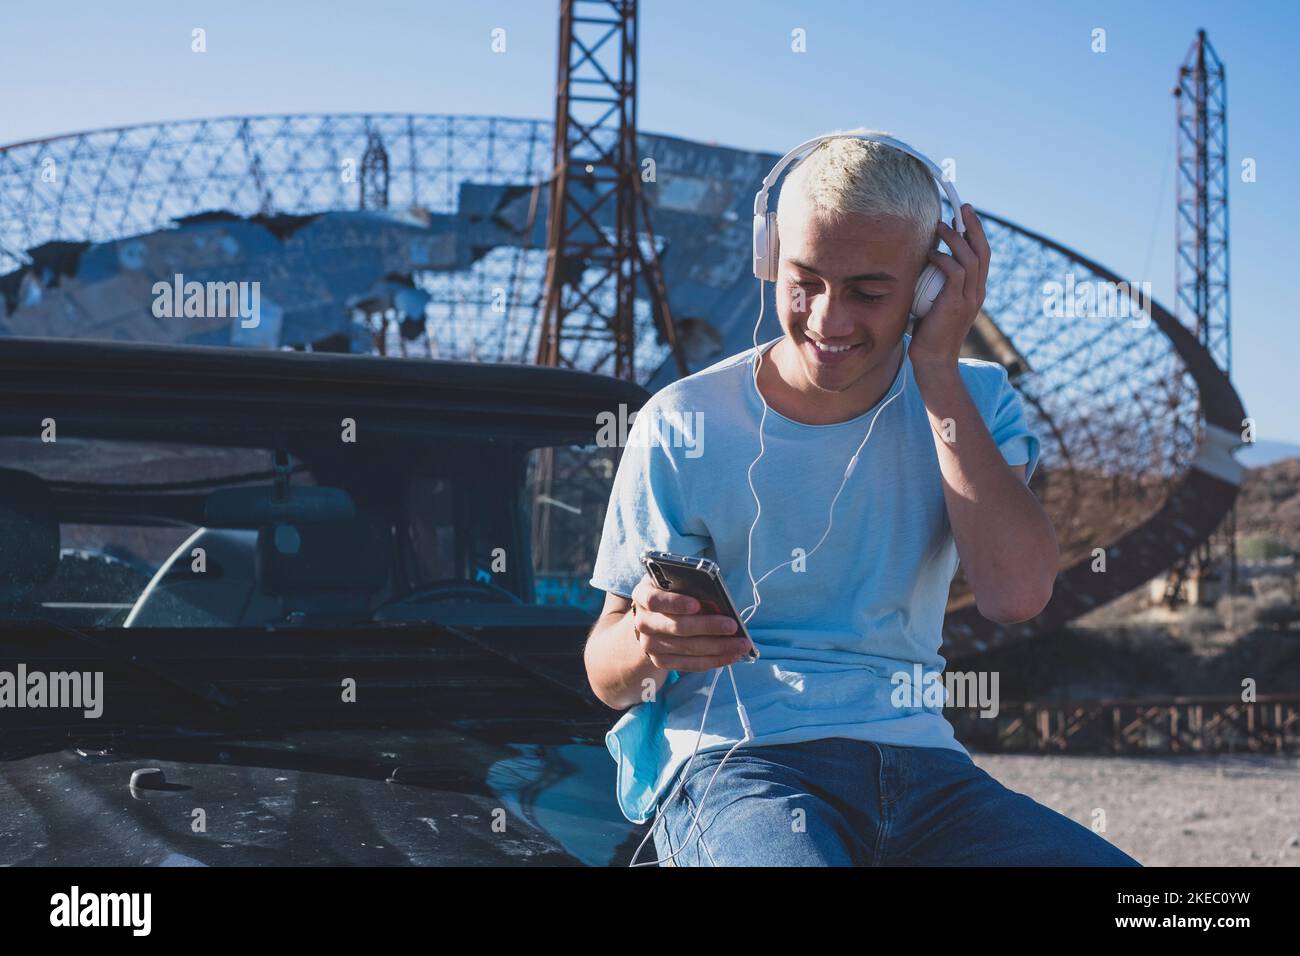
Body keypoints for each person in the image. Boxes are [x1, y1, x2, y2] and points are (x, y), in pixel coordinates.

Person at [582, 129, 1140, 867]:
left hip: (928, 774)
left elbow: (1015, 593)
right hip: (741, 769)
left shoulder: (973, 402)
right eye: (804, 281)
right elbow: (606, 674)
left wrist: (937, 368)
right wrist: (650, 640)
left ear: (931, 285)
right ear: (768, 258)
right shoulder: (683, 421)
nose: (829, 319)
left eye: (869, 292)